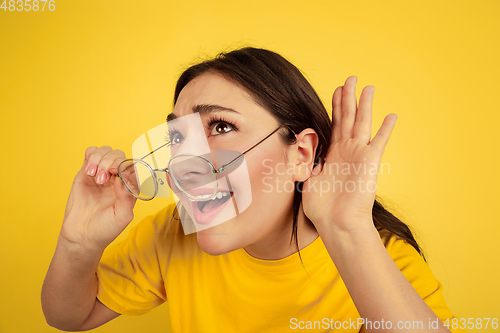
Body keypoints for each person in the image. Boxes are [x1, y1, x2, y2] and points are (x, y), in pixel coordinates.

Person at [41, 47, 462, 332]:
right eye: (178, 137)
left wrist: (347, 229)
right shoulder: (169, 233)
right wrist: (78, 243)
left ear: (300, 155)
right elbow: (70, 317)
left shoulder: (380, 256)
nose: (186, 162)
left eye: (221, 127)